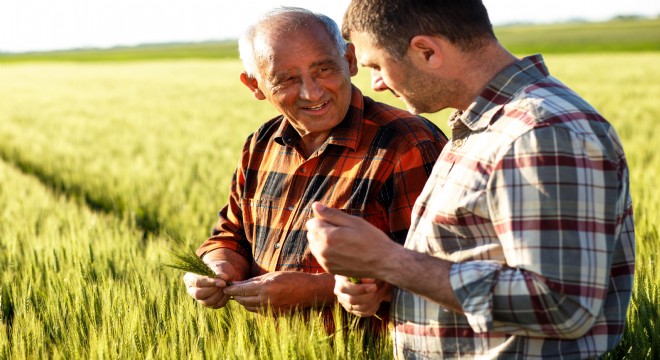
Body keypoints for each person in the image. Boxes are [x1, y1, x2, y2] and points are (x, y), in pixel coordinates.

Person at [306, 0, 635, 358]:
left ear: (427, 51)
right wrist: (390, 282)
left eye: (377, 66)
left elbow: (561, 304)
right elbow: (479, 256)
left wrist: (391, 261)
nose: (377, 84)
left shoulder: (540, 132)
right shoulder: (483, 124)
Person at [182, 5, 447, 327]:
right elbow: (231, 234)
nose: (312, 92)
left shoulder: (407, 143)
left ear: (349, 61)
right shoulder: (260, 144)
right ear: (254, 86)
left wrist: (318, 291)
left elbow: (441, 271)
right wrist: (218, 268)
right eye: (287, 79)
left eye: (324, 70)